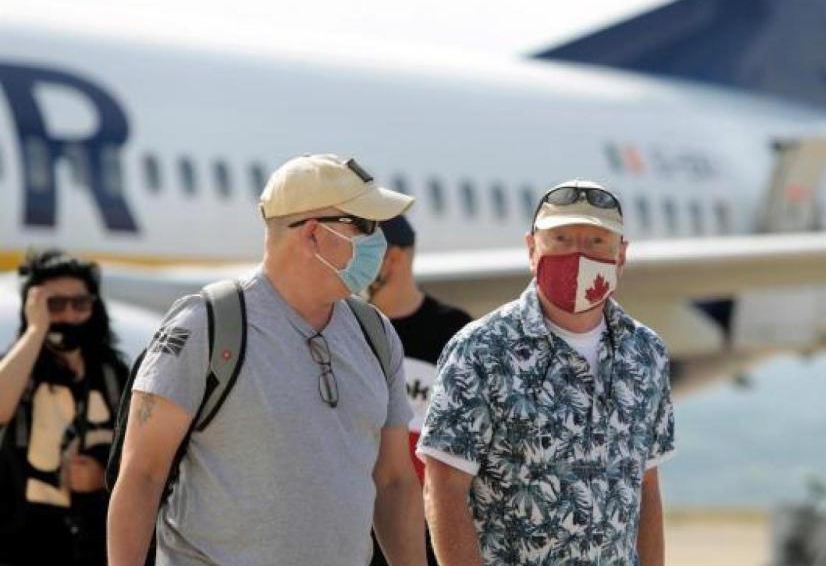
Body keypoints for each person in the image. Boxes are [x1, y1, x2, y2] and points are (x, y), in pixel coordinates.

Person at [108, 154, 427, 566]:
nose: (377, 240)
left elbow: (394, 481)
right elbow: (140, 476)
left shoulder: (376, 334)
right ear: (314, 234)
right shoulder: (207, 324)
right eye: (364, 225)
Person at [417, 179, 676, 565]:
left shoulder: (645, 353)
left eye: (596, 242)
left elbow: (646, 486)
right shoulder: (482, 350)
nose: (579, 254)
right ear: (531, 248)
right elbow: (444, 487)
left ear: (621, 255)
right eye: (562, 239)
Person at [0, 249, 128, 566]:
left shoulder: (114, 375)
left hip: (95, 542)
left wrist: (103, 477)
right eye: (55, 305)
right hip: (23, 544)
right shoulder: (21, 366)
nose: (69, 315)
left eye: (80, 303)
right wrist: (35, 330)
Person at [367, 215, 472, 566]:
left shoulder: (454, 334)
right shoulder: (345, 329)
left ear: (392, 259)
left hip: (428, 539)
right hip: (355, 535)